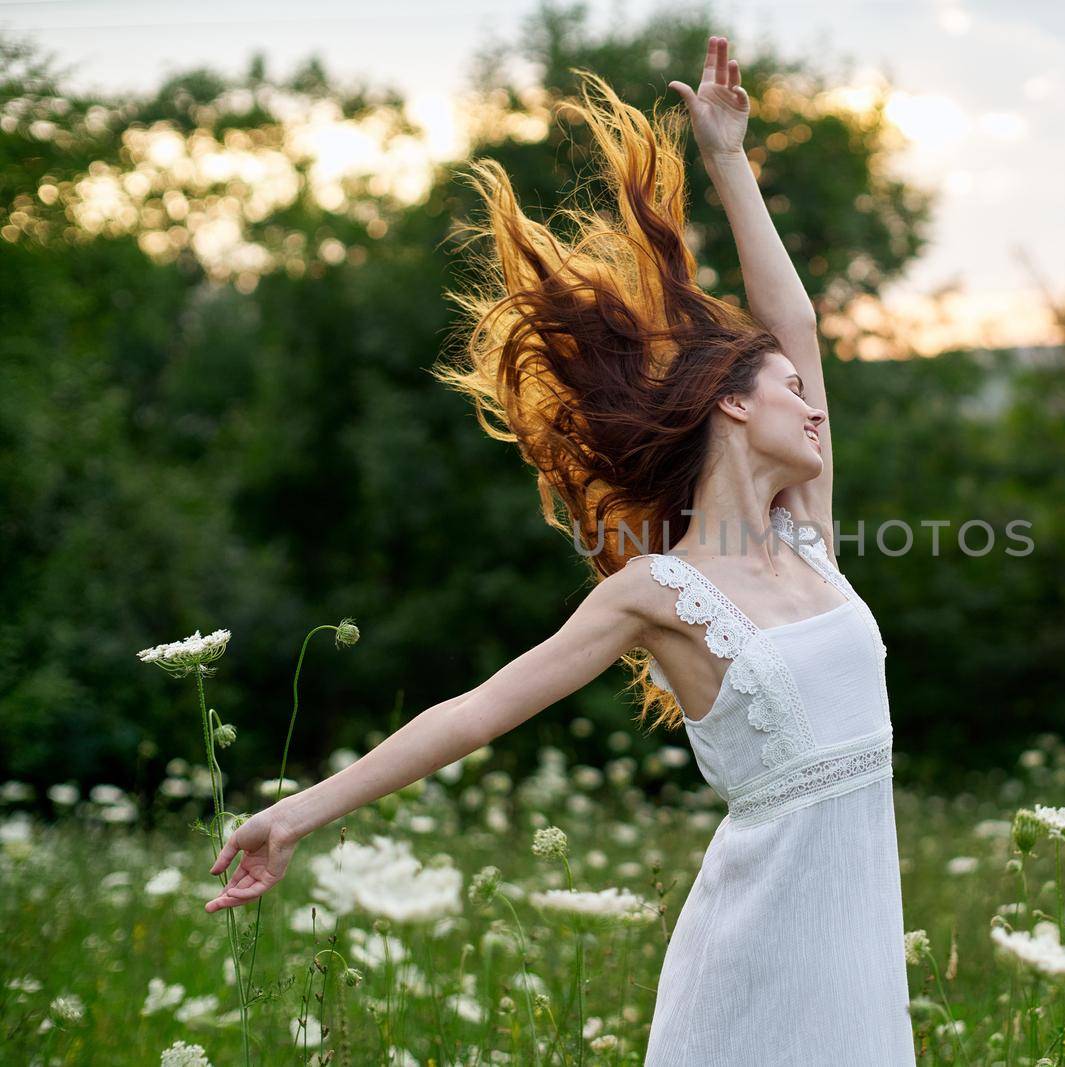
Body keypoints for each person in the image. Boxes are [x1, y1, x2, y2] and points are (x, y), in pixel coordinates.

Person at [203, 34, 916, 1065]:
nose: (813, 405)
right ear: (729, 401)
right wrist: (297, 814)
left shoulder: (810, 533)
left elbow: (792, 317)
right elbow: (476, 709)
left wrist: (725, 157)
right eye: (790, 391)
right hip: (753, 951)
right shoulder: (657, 592)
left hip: (857, 954)